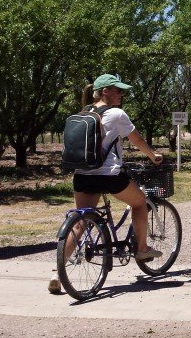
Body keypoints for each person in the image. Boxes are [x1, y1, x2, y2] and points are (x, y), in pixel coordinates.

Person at [68, 74, 164, 260]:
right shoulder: (116, 114)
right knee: (139, 202)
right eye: (118, 91)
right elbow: (137, 140)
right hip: (108, 176)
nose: (121, 95)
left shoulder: (82, 113)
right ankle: (142, 250)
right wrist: (153, 156)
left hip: (82, 175)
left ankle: (57, 273)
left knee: (80, 223)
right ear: (105, 91)